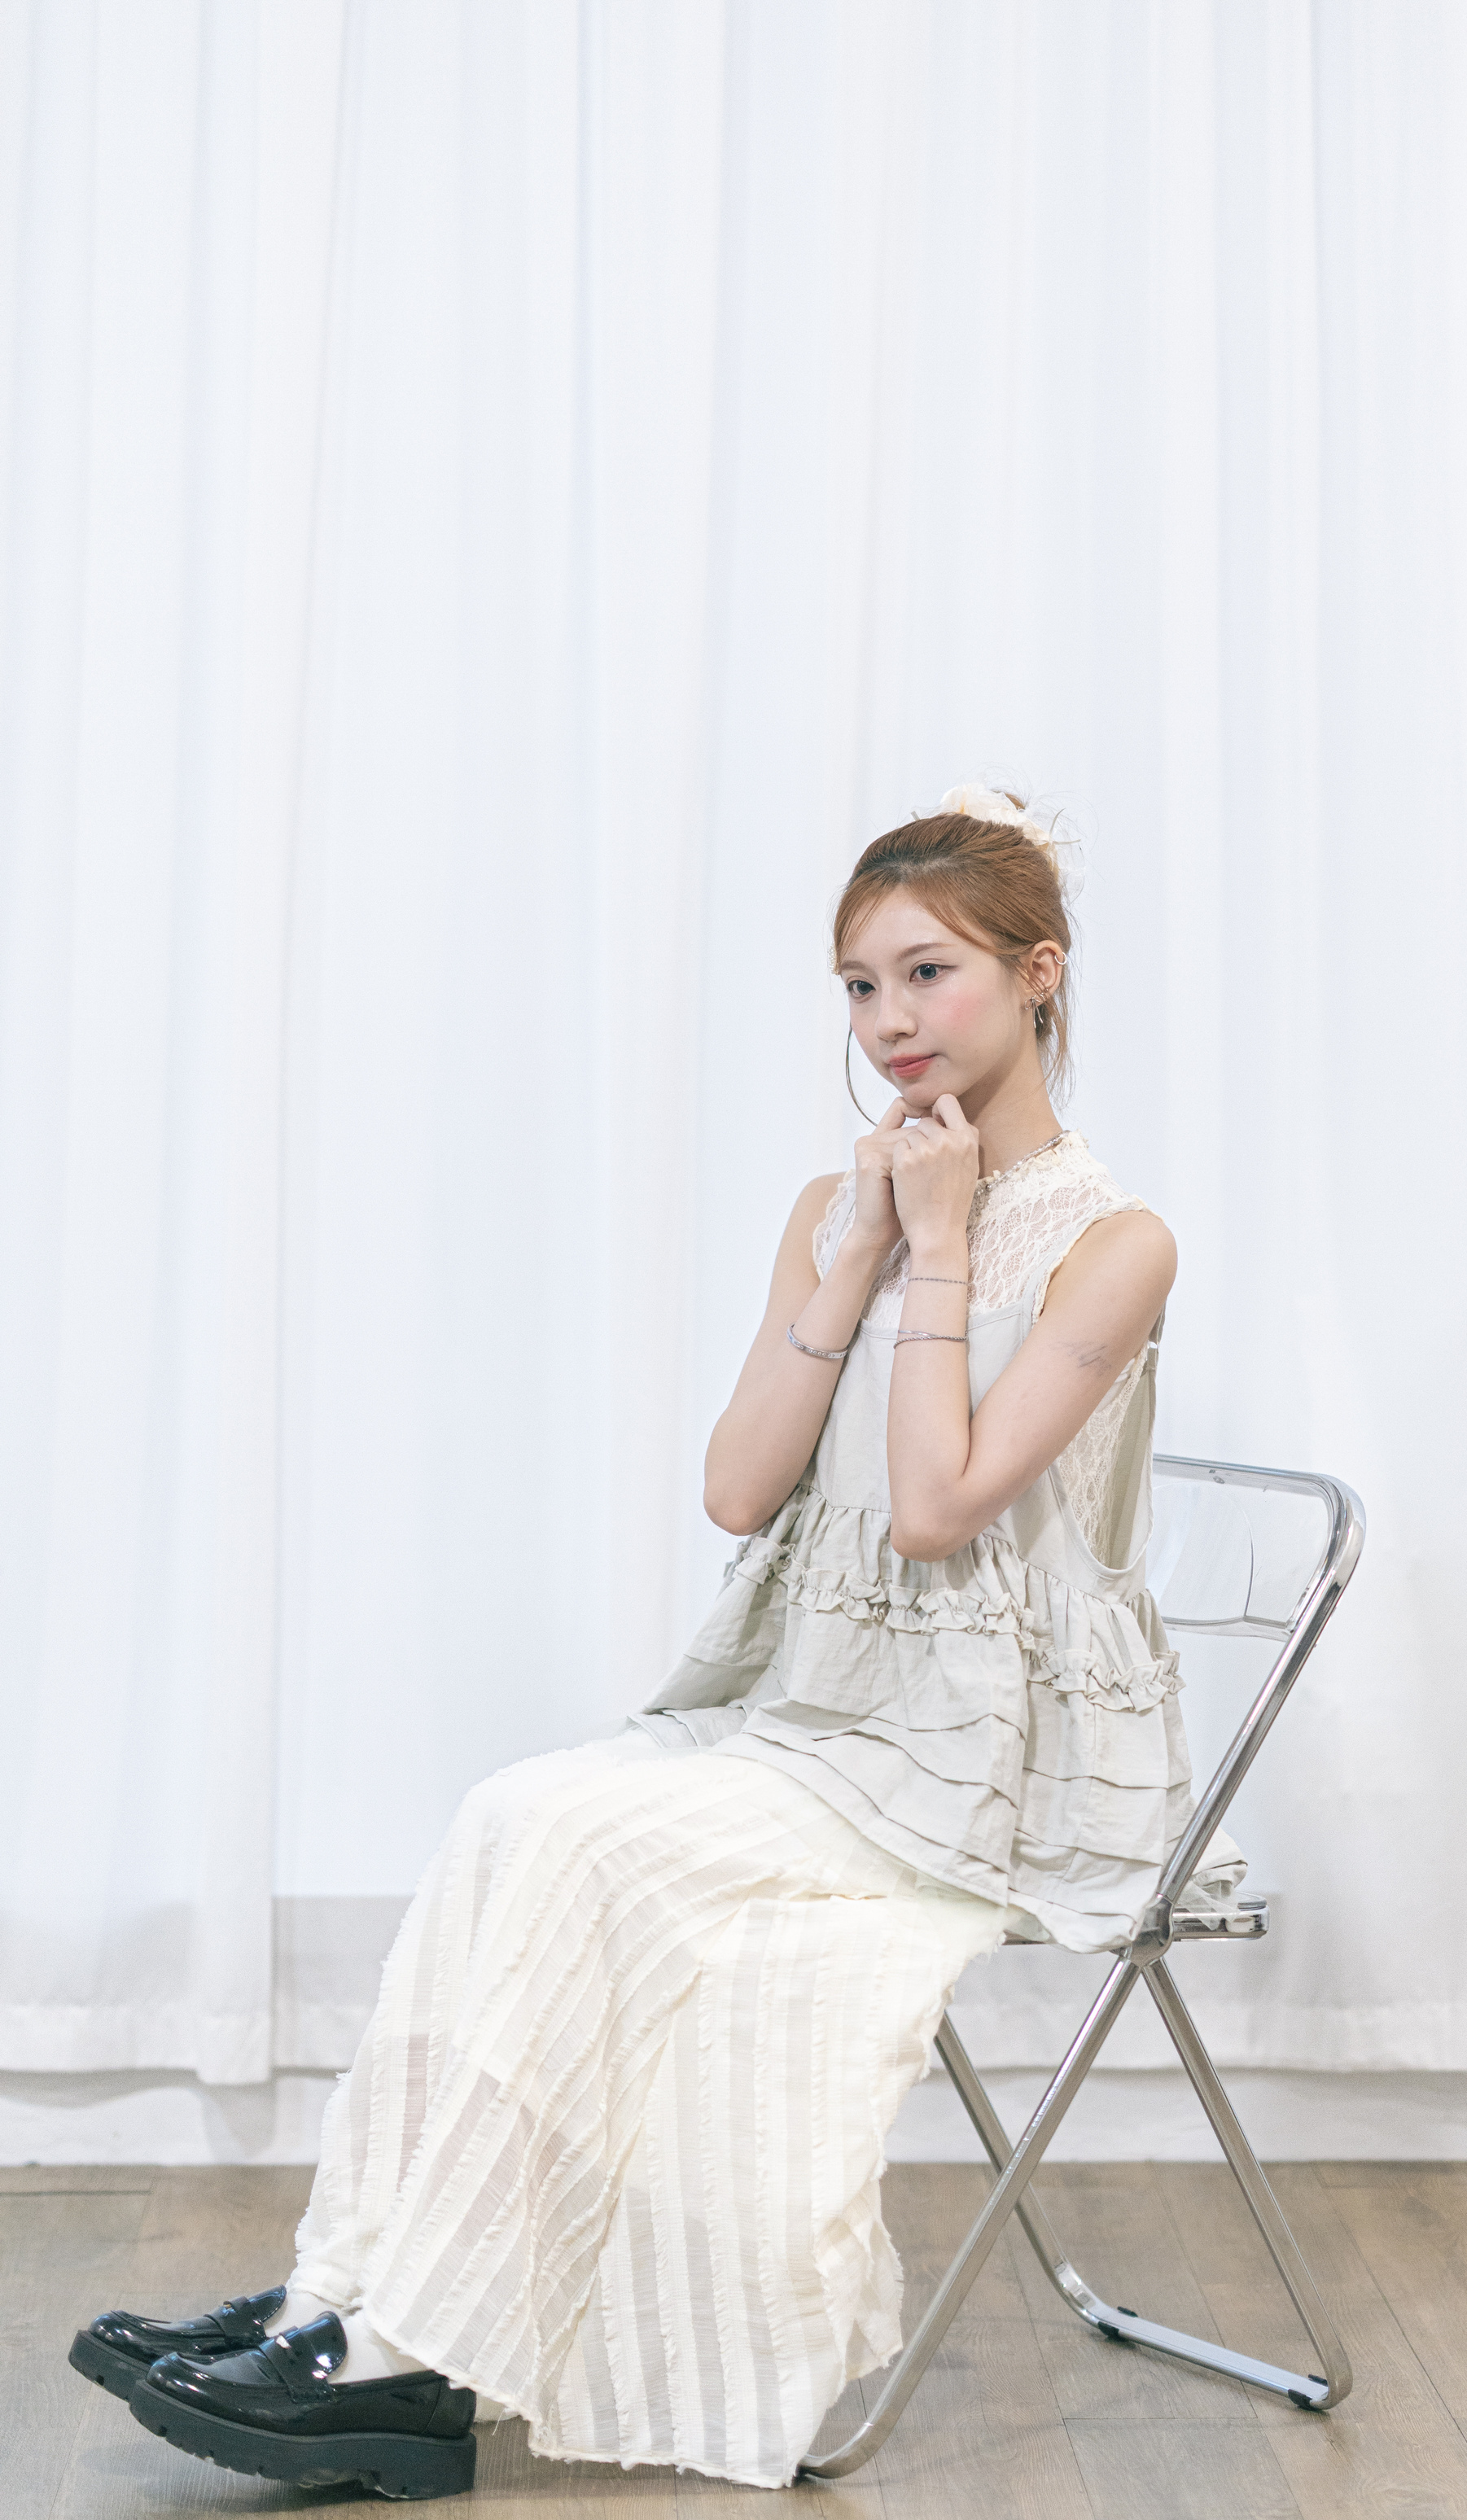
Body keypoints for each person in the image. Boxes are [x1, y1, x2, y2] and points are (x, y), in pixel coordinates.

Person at [69, 785, 1185, 2499]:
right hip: (817, 1713)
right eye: (859, 986)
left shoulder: (1116, 1244)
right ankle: (347, 2300)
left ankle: (387, 2343)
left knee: (577, 1838)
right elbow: (740, 1489)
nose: (890, 1022)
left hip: (975, 1753)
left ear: (1038, 976)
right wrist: (860, 1254)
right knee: (515, 1814)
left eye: (929, 973)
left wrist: (949, 1243)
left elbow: (932, 1512)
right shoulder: (833, 1206)